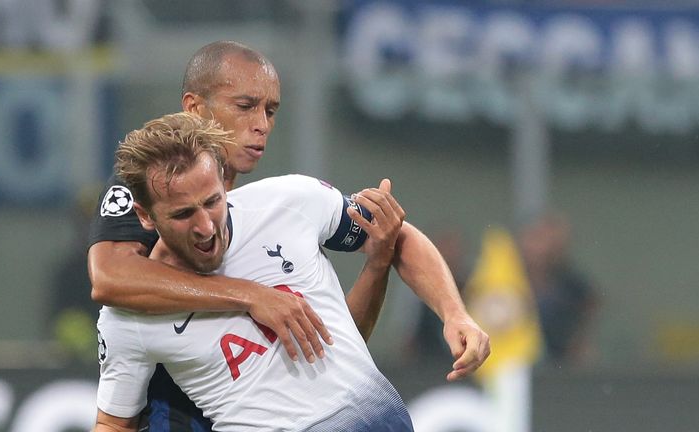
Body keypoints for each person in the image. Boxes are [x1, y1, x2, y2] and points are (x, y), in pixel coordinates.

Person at [87, 41, 489, 429]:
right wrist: (252, 297)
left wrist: (449, 310)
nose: (261, 125)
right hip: (177, 404)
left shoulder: (286, 201)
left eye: (271, 110)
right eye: (245, 106)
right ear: (195, 108)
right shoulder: (144, 183)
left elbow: (335, 336)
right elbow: (109, 278)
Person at [519, 212, 598, 365]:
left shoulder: (574, 287)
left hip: (559, 364)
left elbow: (590, 309)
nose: (543, 249)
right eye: (537, 239)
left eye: (552, 242)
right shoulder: (506, 280)